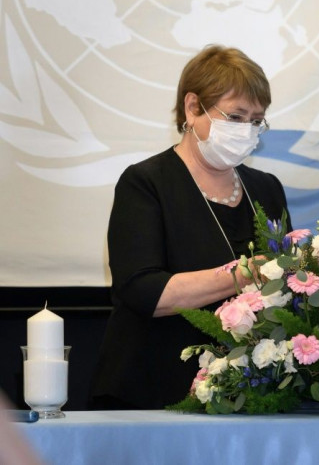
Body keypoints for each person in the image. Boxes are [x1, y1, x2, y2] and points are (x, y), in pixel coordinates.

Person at [90, 45, 292, 409]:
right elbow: (143, 291)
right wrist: (245, 272)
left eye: (256, 120)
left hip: (243, 393)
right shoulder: (145, 183)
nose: (246, 131)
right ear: (192, 107)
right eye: (235, 116)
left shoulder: (267, 188)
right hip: (152, 390)